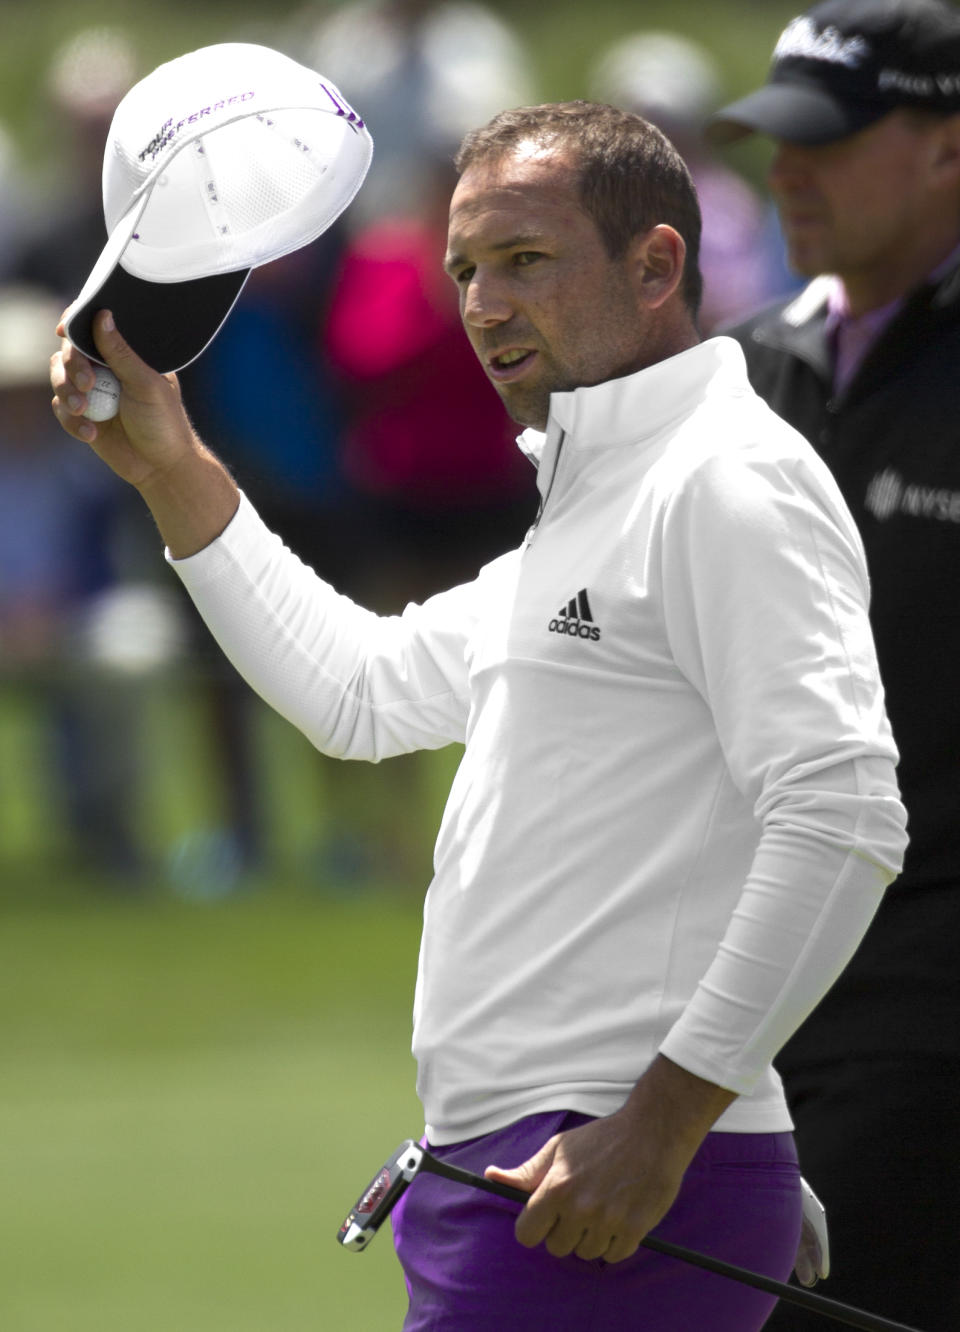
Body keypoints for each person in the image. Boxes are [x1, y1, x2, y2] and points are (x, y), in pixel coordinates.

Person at [50, 100, 908, 1331]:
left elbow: (843, 812)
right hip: (530, 1170)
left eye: (525, 261)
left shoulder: (724, 477)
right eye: (464, 269)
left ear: (658, 265)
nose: (484, 305)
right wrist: (169, 464)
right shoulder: (604, 489)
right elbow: (362, 693)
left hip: (599, 1175)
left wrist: (674, 1126)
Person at [708, 2, 960, 1328]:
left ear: (946, 148)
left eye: (830, 140)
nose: (786, 171)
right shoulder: (735, 376)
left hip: (928, 983)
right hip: (749, 987)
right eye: (774, 143)